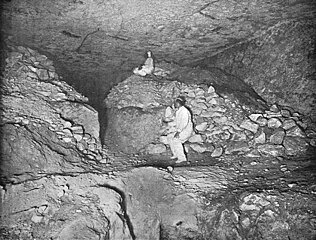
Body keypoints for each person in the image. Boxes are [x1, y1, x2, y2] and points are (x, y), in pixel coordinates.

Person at [167, 96, 193, 163]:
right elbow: (174, 120)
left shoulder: (184, 111)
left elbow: (184, 123)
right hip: (182, 130)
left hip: (186, 130)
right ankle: (175, 154)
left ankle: (182, 158)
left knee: (176, 139)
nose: (174, 104)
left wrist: (178, 132)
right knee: (169, 137)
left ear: (180, 103)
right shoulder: (178, 110)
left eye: (176, 103)